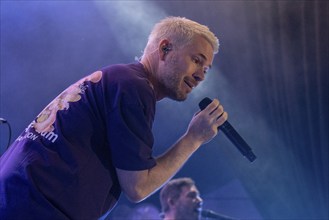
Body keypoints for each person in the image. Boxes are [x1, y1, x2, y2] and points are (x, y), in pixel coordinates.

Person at [0, 16, 228, 219]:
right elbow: (138, 187)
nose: (200, 76)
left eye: (206, 70)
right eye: (197, 60)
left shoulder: (118, 79)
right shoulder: (134, 87)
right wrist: (193, 139)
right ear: (165, 48)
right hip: (37, 207)